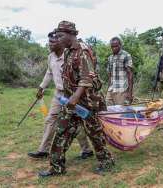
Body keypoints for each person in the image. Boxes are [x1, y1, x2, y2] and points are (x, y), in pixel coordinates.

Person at [38, 21, 114, 177]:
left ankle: (106, 161)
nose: (58, 39)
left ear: (71, 35)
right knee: (62, 131)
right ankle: (56, 167)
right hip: (71, 101)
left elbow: (87, 78)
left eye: (60, 36)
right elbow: (67, 76)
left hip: (87, 102)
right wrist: (67, 97)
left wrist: (75, 96)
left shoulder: (83, 51)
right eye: (57, 36)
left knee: (95, 134)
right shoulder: (67, 52)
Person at [28, 31, 93, 160]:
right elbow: (49, 73)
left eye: (52, 42)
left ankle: (86, 150)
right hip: (59, 94)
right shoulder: (51, 56)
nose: (49, 45)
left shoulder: (70, 55)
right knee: (50, 119)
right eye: (49, 42)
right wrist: (41, 87)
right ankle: (43, 150)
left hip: (73, 93)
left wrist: (78, 94)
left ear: (60, 42)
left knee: (77, 122)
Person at [106, 37, 133, 105]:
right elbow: (109, 75)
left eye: (116, 46)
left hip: (122, 90)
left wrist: (130, 93)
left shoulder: (126, 55)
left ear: (120, 45)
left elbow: (130, 75)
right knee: (107, 110)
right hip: (111, 89)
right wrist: (108, 89)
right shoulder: (110, 58)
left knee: (120, 112)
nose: (114, 48)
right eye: (112, 46)